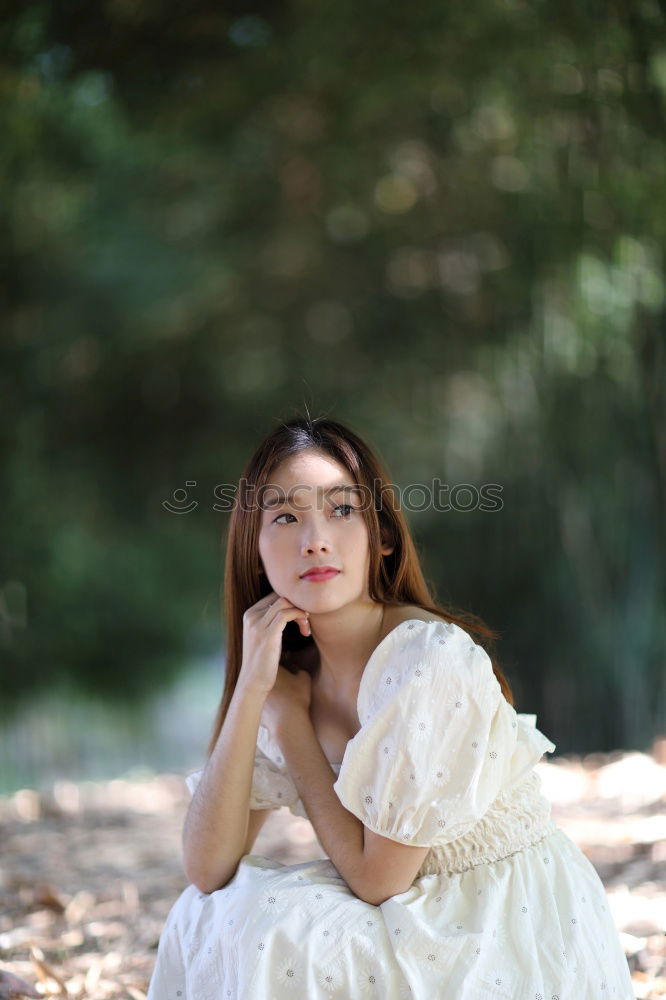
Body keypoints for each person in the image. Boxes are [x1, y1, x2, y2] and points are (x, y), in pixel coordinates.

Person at [146, 415, 634, 999]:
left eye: (342, 510)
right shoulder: (290, 679)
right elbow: (206, 868)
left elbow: (377, 878)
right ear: (255, 555)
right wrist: (252, 690)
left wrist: (292, 726)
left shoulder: (426, 660)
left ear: (382, 536)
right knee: (209, 914)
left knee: (270, 928)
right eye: (284, 516)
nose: (315, 539)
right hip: (408, 914)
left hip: (496, 921)